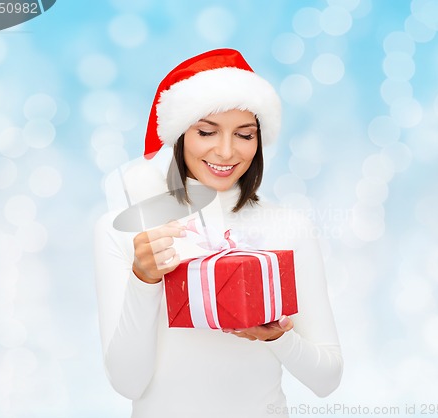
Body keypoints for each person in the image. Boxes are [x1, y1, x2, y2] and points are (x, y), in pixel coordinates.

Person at [94, 48, 343, 418]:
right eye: (207, 132)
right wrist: (143, 279)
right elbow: (128, 383)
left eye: (244, 135)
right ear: (180, 135)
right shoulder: (125, 230)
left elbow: (327, 378)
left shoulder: (288, 228)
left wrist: (278, 337)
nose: (225, 152)